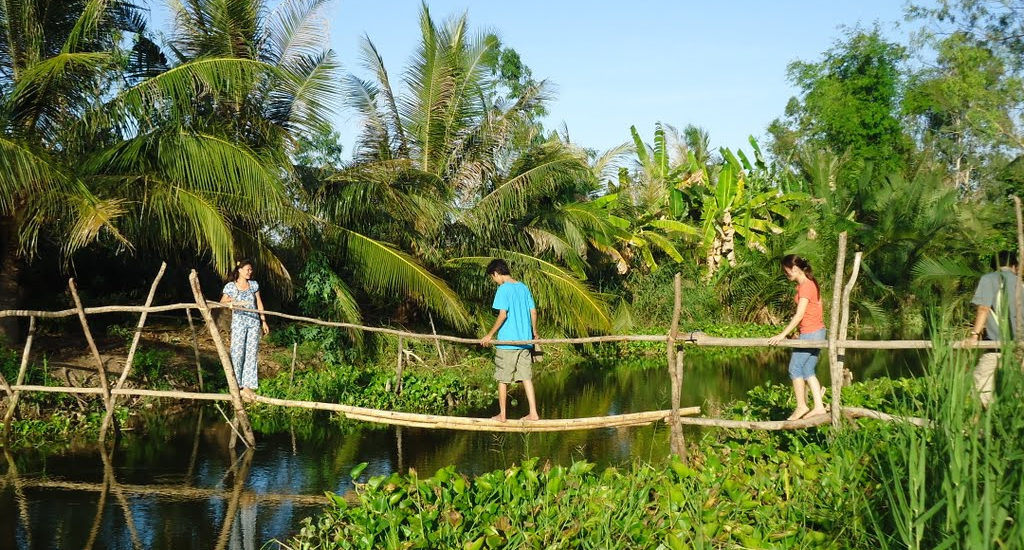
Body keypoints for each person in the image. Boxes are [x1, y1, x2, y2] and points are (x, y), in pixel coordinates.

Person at [767, 254, 827, 420]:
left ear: (794, 268)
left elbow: (800, 314)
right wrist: (798, 333)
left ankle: (801, 406)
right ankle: (819, 407)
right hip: (816, 332)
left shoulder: (806, 286)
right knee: (807, 370)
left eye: (786, 271)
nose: (786, 275)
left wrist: (782, 334)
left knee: (794, 369)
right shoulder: (809, 284)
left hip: (811, 333)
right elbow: (813, 311)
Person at [480, 259, 540, 422]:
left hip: (507, 343)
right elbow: (533, 312)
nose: (494, 281)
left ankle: (503, 415)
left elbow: (503, 314)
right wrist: (534, 332)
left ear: (496, 273)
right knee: (526, 378)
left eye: (493, 278)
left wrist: (490, 335)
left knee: (502, 379)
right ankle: (533, 413)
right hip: (525, 341)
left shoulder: (503, 289)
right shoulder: (523, 287)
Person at [964, 250, 1021, 408]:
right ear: (1014, 266)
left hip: (996, 347)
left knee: (979, 388)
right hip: (1020, 347)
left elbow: (984, 309)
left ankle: (987, 426)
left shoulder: (989, 279)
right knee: (1014, 390)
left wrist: (974, 335)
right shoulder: (1020, 284)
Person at [220, 260, 269, 402]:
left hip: (253, 323)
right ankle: (237, 384)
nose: (250, 272)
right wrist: (231, 303)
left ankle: (247, 386)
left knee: (251, 353)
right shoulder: (231, 287)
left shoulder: (253, 285)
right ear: (240, 270)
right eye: (247, 269)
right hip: (239, 324)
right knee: (237, 352)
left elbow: (259, 303)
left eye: (251, 270)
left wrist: (263, 321)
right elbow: (222, 302)